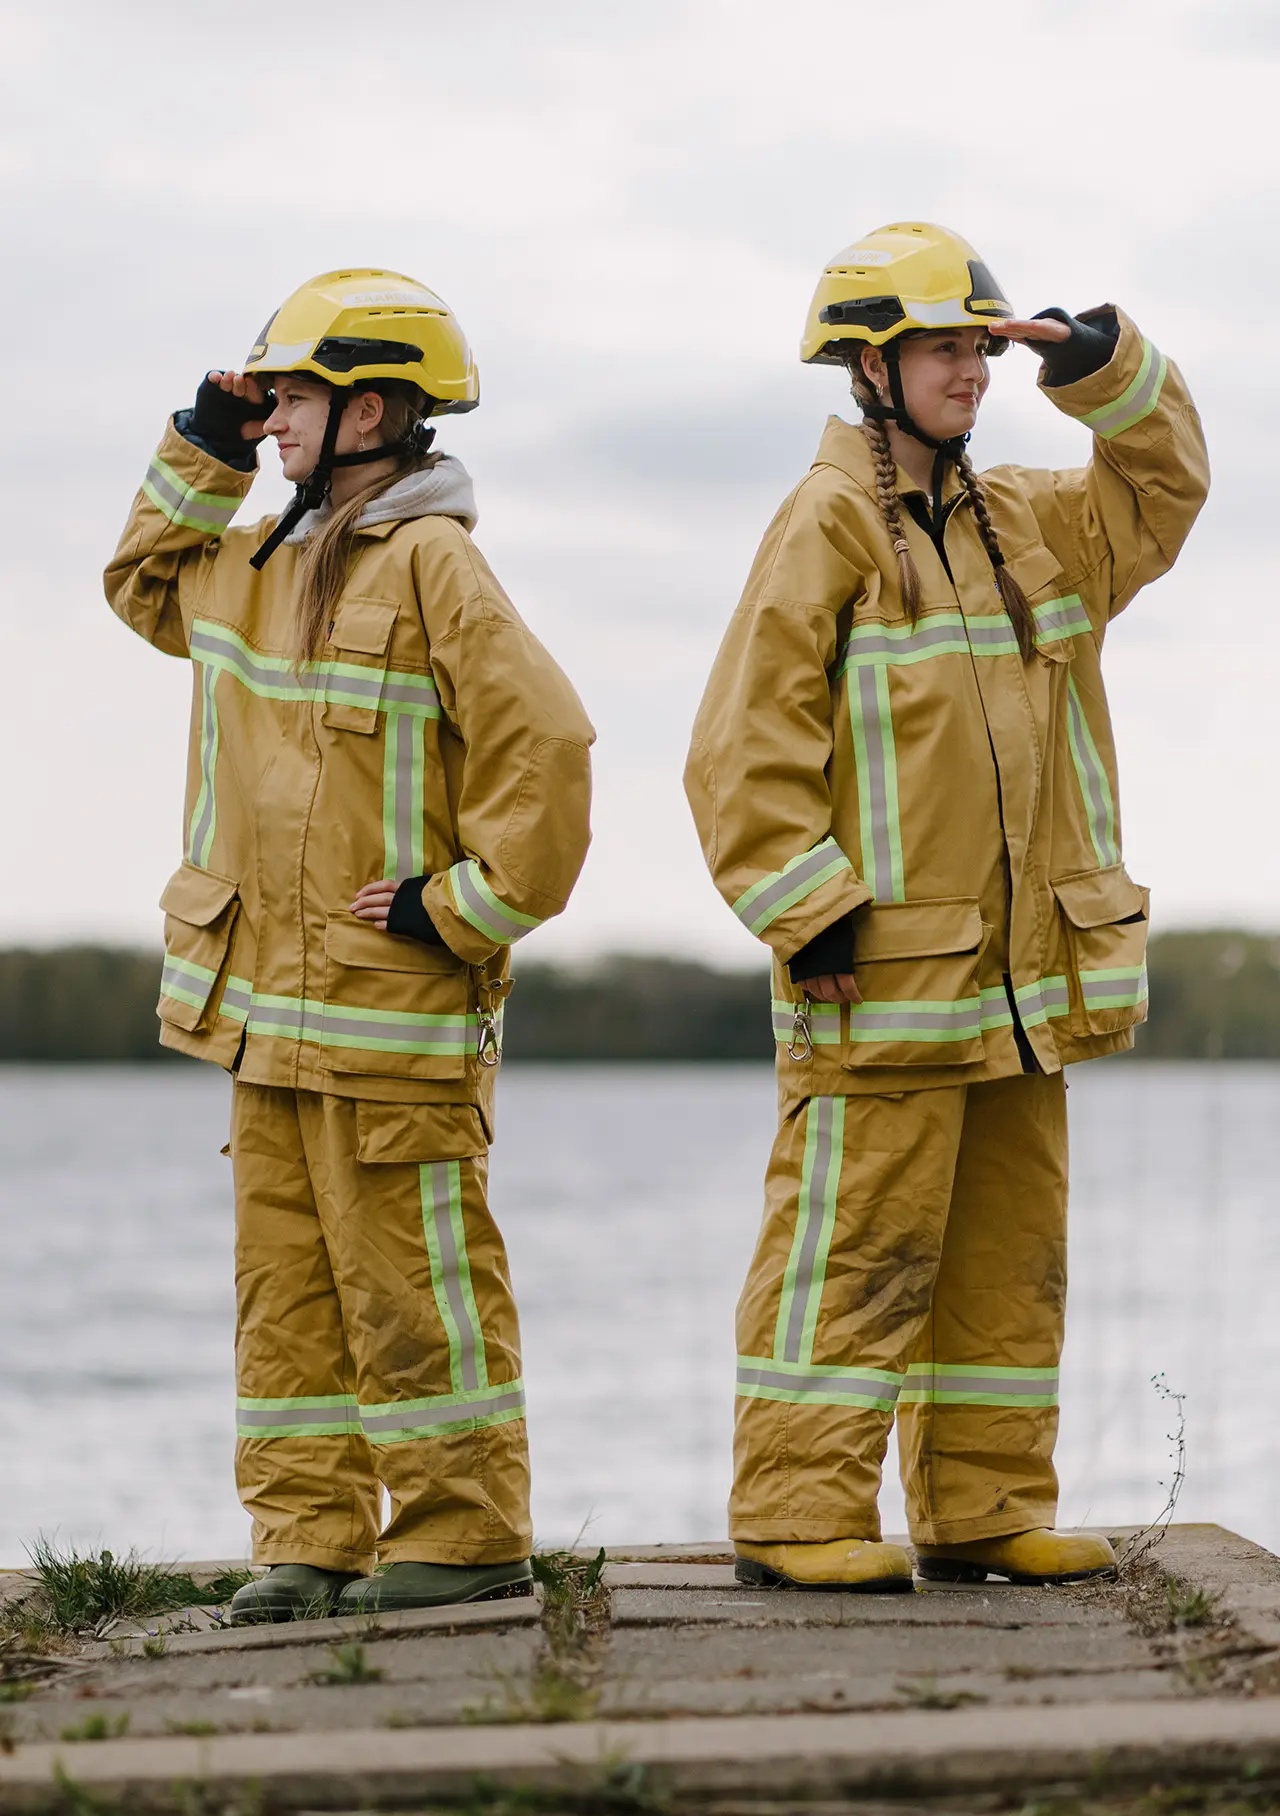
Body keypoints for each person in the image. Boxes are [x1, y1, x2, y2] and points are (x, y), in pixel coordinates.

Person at [685, 222, 1208, 1591]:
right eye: (942, 346)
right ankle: (798, 1514)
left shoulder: (1033, 519)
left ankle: (980, 1509)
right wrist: (809, 913)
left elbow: (1164, 492)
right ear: (869, 365)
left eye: (979, 343)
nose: (970, 368)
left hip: (1026, 986)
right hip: (882, 973)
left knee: (1004, 1259)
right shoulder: (824, 524)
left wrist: (1105, 368)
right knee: (848, 1248)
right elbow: (740, 748)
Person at [105, 270, 594, 1621]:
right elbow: (138, 582)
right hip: (265, 1010)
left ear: (372, 410)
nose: (274, 422)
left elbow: (546, 753)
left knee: (412, 1281)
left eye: (295, 398)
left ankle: (462, 1531)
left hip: (392, 1012)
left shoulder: (436, 563)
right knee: (290, 1288)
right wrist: (200, 441)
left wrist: (465, 910)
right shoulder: (252, 559)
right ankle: (310, 1536)